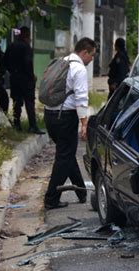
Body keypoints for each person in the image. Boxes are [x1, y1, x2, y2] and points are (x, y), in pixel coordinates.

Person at [43, 37, 97, 209]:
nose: (91, 60)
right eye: (92, 55)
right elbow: (81, 98)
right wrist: (84, 123)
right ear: (84, 52)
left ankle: (81, 191)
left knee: (66, 154)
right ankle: (51, 199)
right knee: (64, 157)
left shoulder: (61, 62)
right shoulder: (79, 68)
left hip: (49, 115)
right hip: (65, 117)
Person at [4, 26, 44, 134]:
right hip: (26, 80)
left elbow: (5, 61)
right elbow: (28, 64)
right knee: (29, 103)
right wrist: (32, 76)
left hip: (14, 78)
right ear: (27, 36)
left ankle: (17, 125)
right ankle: (32, 126)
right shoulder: (27, 48)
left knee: (16, 103)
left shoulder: (11, 46)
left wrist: (13, 71)